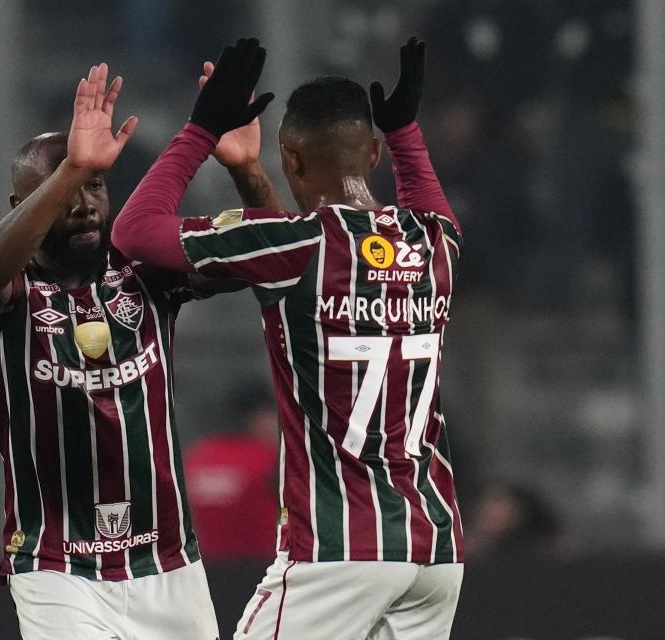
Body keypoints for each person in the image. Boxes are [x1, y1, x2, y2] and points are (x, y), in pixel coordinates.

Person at [112, 37, 465, 639]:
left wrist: (200, 130)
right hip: (435, 550)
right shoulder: (437, 243)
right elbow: (422, 196)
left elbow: (134, 231)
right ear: (375, 154)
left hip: (338, 551)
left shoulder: (301, 244)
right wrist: (405, 132)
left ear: (293, 161)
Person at [0, 62, 278, 640]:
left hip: (168, 562)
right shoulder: (5, 288)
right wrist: (74, 166)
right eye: (63, 193)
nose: (83, 203)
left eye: (94, 186)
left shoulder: (145, 270)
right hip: (57, 567)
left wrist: (248, 170)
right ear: (21, 203)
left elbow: (277, 252)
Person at [185, 383, 280, 560]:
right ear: (257, 417)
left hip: (207, 567)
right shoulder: (265, 458)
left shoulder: (199, 455)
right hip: (261, 565)